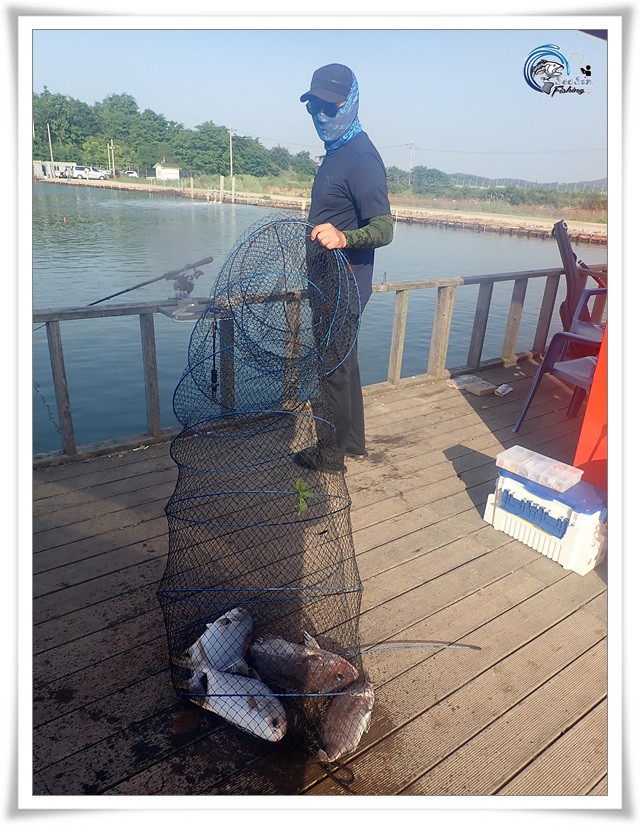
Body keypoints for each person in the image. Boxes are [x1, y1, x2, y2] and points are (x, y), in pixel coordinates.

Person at [295, 63, 393, 474]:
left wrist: (344, 238)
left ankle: (330, 456)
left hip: (344, 285)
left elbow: (385, 228)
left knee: (330, 369)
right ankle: (352, 443)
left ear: (350, 102)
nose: (321, 114)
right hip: (325, 281)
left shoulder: (362, 158)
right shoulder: (336, 152)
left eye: (330, 106)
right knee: (344, 362)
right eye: (314, 106)